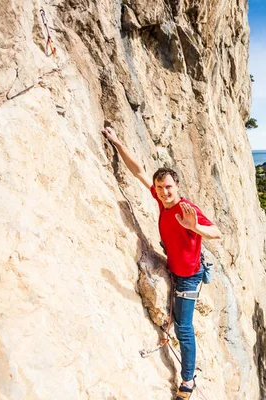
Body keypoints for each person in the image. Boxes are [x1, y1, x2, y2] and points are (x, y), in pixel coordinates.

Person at [101, 126, 221, 399]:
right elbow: (139, 172)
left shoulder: (185, 209)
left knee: (184, 327)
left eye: (168, 187)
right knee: (175, 319)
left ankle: (188, 379)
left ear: (177, 186)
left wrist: (195, 227)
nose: (164, 192)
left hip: (189, 276)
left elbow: (217, 232)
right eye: (160, 187)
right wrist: (118, 142)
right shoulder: (161, 199)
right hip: (174, 269)